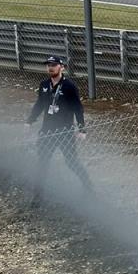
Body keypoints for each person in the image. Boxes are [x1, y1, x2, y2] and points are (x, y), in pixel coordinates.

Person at [26, 55, 93, 204]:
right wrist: (30, 120)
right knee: (42, 162)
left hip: (65, 131)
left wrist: (82, 129)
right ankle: (37, 197)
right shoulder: (44, 85)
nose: (50, 67)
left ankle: (88, 188)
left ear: (62, 67)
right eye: (48, 65)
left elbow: (78, 108)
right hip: (47, 131)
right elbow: (39, 104)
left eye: (54, 65)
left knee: (71, 162)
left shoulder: (69, 86)